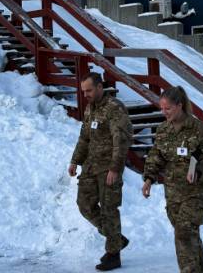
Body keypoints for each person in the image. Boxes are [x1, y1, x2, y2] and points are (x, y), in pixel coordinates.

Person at [142, 86, 203, 273]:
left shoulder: (199, 129)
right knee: (188, 233)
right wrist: (149, 178)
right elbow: (156, 155)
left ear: (179, 106)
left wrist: (198, 171)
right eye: (162, 108)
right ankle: (200, 267)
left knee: (183, 232)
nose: (163, 112)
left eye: (167, 108)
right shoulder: (163, 130)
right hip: (173, 192)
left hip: (195, 192)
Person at [68, 72, 134, 271]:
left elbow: (121, 140)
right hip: (90, 166)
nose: (85, 94)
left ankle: (113, 254)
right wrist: (75, 161)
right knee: (84, 205)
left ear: (99, 87)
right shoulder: (90, 109)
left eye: (88, 90)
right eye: (83, 91)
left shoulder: (114, 108)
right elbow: (84, 138)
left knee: (108, 210)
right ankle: (116, 238)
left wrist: (115, 168)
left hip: (108, 169)